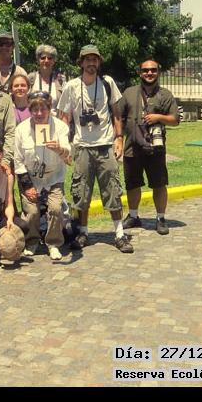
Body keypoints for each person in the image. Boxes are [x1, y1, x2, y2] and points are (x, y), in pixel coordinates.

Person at [56, 44, 132, 254]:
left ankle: (119, 233)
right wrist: (65, 145)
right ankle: (83, 232)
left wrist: (119, 138)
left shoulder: (107, 83)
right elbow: (64, 117)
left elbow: (117, 113)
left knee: (113, 189)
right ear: (81, 63)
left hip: (105, 145)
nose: (91, 63)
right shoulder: (71, 86)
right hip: (82, 146)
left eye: (95, 59)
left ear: (99, 62)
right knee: (81, 192)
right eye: (87, 59)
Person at [119, 59, 180, 235]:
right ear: (140, 73)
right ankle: (133, 216)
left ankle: (160, 218)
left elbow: (175, 120)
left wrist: (158, 117)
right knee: (132, 184)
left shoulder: (165, 95)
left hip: (155, 148)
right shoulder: (129, 93)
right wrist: (118, 139)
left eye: (153, 70)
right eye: (145, 70)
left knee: (159, 184)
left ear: (158, 72)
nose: (149, 73)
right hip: (132, 147)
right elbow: (118, 117)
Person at [13, 91, 71, 260]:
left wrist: (59, 149)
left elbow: (68, 154)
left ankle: (53, 243)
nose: (39, 113)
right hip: (31, 178)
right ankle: (32, 240)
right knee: (32, 211)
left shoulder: (60, 127)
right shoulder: (21, 129)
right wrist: (27, 186)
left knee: (55, 208)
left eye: (43, 109)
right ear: (30, 110)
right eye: (35, 109)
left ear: (49, 108)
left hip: (54, 177)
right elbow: (18, 160)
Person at [27, 44, 64, 114]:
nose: (46, 61)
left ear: (54, 61)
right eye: (43, 58)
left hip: (54, 119)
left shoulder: (60, 80)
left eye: (50, 58)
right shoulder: (31, 78)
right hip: (35, 118)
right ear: (38, 60)